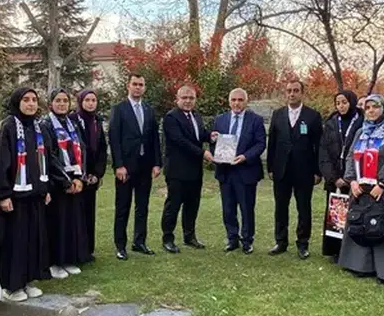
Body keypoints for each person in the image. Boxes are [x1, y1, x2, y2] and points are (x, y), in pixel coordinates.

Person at [0, 88, 66, 301]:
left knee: (34, 239)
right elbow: (2, 163)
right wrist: (3, 194)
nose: (31, 104)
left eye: (34, 100)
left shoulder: (38, 127)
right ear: (17, 102)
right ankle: (12, 285)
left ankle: (29, 279)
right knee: (16, 241)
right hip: (15, 197)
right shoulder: (8, 128)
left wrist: (46, 188)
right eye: (26, 100)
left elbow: (47, 160)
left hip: (36, 194)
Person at [337, 94, 384, 283]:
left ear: (383, 108)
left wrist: (383, 183)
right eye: (367, 108)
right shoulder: (361, 132)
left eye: (375, 107)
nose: (371, 111)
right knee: (360, 222)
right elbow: (352, 156)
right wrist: (351, 180)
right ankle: (359, 265)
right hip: (360, 187)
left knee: (383, 225)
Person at [267, 79, 323, 259]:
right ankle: (281, 241)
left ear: (302, 93)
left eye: (296, 90)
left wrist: (317, 171)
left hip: (304, 171)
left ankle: (303, 243)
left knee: (303, 208)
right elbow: (272, 144)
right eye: (289, 91)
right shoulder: (278, 115)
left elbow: (318, 146)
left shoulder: (313, 116)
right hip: (281, 170)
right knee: (280, 207)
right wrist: (270, 167)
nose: (292, 94)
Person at [108, 74, 161, 260]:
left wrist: (157, 163)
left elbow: (154, 137)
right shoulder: (119, 109)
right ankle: (120, 246)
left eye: (141, 84)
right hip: (126, 168)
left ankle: (139, 242)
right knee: (123, 207)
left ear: (144, 87)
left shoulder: (148, 109)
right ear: (128, 86)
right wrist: (119, 165)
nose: (138, 87)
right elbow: (114, 139)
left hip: (145, 166)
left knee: (142, 206)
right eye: (135, 84)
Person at [210, 88, 266, 253]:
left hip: (246, 170)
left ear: (246, 102)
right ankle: (232, 238)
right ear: (229, 102)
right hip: (226, 171)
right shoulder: (220, 120)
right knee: (228, 208)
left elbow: (260, 144)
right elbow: (215, 142)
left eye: (240, 100)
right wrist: (213, 141)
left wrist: (245, 156)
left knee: (247, 208)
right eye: (233, 100)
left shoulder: (255, 120)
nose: (237, 103)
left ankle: (247, 240)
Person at [160, 84, 211, 253]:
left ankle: (189, 236)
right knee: (173, 205)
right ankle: (168, 238)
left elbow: (199, 135)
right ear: (177, 99)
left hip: (195, 171)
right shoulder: (171, 118)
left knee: (192, 205)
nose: (188, 101)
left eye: (191, 98)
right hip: (177, 170)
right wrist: (202, 153)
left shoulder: (196, 116)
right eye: (185, 98)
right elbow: (180, 141)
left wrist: (211, 136)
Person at [45, 89, 89, 278]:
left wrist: (80, 177)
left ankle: (69, 258)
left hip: (75, 179)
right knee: (57, 223)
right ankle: (55, 262)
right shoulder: (45, 125)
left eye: (65, 101)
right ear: (50, 104)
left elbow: (82, 149)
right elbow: (50, 155)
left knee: (72, 222)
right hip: (58, 182)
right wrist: (65, 181)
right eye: (58, 101)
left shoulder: (73, 123)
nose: (62, 104)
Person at [318, 89, 361, 259]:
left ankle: (351, 251)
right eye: (338, 103)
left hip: (353, 177)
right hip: (334, 178)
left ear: (351, 102)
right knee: (336, 214)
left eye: (344, 102)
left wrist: (348, 177)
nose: (341, 106)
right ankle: (334, 250)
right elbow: (324, 152)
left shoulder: (361, 121)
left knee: (354, 214)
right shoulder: (331, 123)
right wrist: (333, 177)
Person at [72, 89, 107, 261]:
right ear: (80, 101)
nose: (91, 103)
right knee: (76, 214)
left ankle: (88, 250)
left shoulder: (97, 121)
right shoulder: (73, 120)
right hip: (78, 174)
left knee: (89, 213)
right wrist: (82, 173)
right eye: (87, 100)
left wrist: (97, 173)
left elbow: (102, 148)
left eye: (93, 100)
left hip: (93, 175)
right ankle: (77, 250)